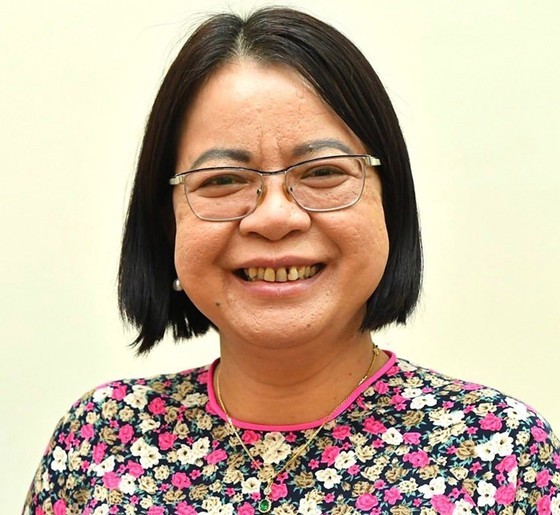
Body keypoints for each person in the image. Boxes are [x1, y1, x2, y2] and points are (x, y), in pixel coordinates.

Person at [23, 7, 559, 515]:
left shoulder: (500, 452)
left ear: (390, 205)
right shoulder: (99, 443)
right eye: (223, 180)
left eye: (323, 172)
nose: (275, 218)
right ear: (168, 224)